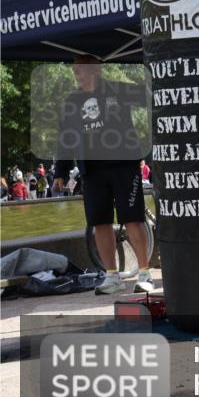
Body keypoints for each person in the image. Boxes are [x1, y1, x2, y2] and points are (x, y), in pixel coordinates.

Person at [53, 55, 152, 295]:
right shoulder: (72, 102)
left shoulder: (119, 90)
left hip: (123, 166)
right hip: (92, 172)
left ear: (95, 69)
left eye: (81, 69)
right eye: (74, 70)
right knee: (100, 223)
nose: (77, 74)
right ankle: (111, 276)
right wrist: (61, 172)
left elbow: (152, 100)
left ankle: (145, 272)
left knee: (133, 219)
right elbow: (67, 137)